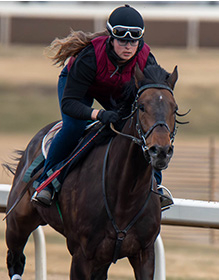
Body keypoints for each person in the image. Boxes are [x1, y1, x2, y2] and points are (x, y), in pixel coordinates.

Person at [33, 4, 172, 208]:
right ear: (111, 37)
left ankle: (155, 185)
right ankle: (46, 181)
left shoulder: (146, 60)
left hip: (117, 90)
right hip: (80, 88)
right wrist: (99, 114)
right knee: (75, 127)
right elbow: (70, 104)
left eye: (133, 41)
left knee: (142, 128)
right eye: (122, 41)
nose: (128, 47)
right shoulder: (89, 57)